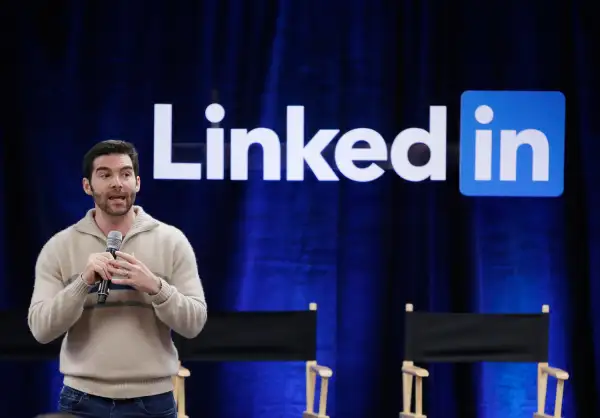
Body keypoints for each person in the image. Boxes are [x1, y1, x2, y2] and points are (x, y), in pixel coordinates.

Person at [28, 140, 208, 418]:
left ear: (137, 183)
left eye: (125, 174)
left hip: (153, 402)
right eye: (105, 174)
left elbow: (194, 323)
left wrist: (156, 288)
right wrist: (82, 283)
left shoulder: (172, 241)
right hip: (81, 401)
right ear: (87, 186)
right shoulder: (59, 247)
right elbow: (41, 329)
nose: (117, 183)